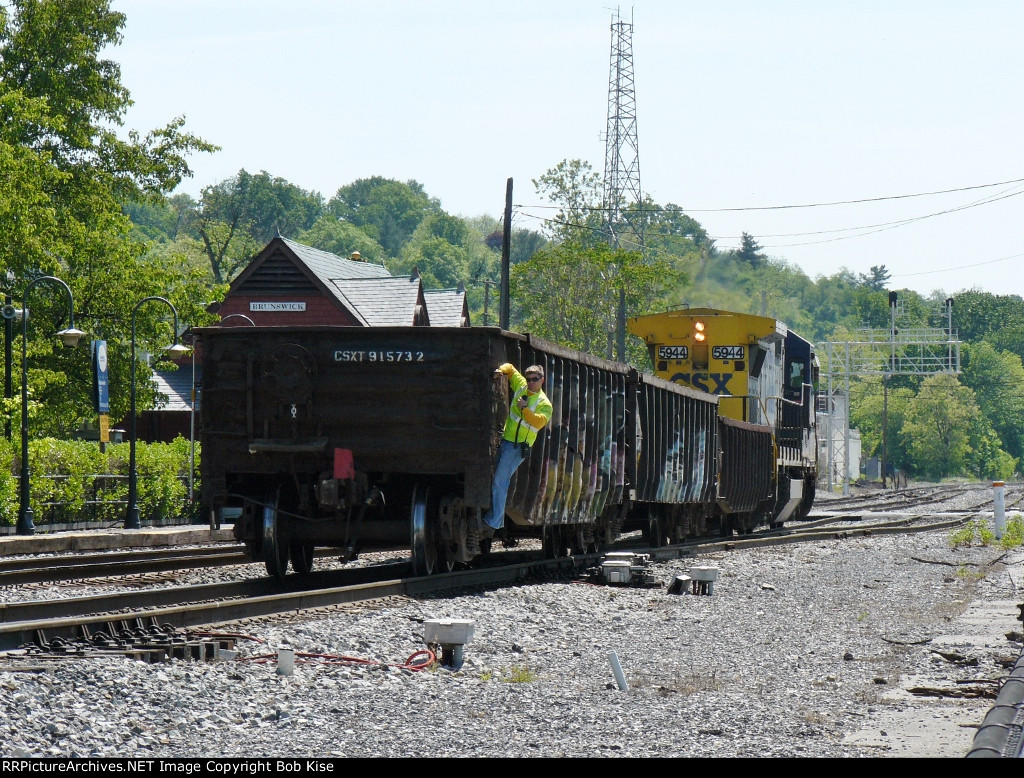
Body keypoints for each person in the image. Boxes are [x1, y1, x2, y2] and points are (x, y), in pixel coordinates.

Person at [480, 363, 553, 537]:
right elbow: (510, 368)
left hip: (518, 447)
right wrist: (501, 370)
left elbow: (538, 422)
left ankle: (494, 521)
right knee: (494, 479)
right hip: (506, 441)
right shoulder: (521, 386)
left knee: (500, 481)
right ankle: (491, 515)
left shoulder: (544, 403)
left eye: (535, 379)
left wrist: (524, 409)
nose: (530, 383)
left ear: (542, 380)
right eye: (528, 379)